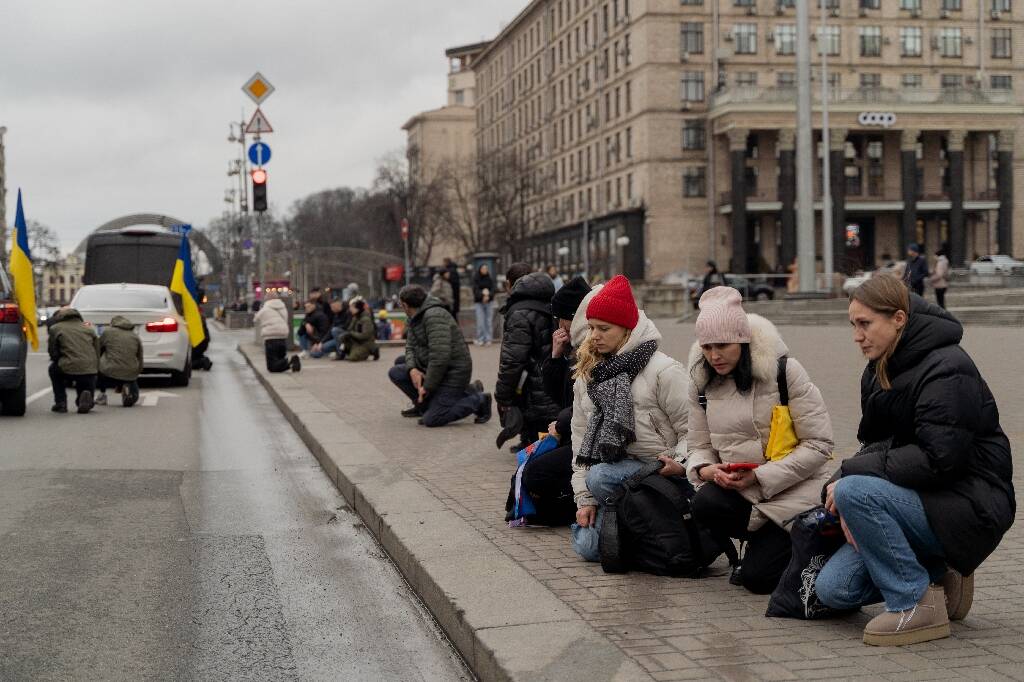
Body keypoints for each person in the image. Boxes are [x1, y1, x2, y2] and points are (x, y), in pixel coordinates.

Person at [815, 275, 1014, 647]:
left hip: (969, 503)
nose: (857, 335)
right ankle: (940, 572)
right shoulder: (880, 367)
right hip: (920, 500)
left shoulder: (947, 367)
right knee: (833, 591)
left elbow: (940, 459)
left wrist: (851, 483)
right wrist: (837, 478)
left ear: (899, 319)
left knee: (857, 491)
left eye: (865, 324)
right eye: (852, 325)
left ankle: (916, 604)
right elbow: (877, 444)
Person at [685, 287, 834, 594]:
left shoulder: (784, 372)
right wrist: (707, 470)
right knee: (705, 503)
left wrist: (760, 476)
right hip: (746, 494)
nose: (714, 356)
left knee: (757, 580)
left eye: (723, 345)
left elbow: (820, 444)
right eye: (707, 347)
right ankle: (762, 543)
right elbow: (698, 446)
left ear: (743, 340)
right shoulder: (701, 383)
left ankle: (813, 540)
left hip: (796, 491)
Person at [569, 275, 691, 562]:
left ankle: (639, 528)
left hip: (664, 472)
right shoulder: (589, 376)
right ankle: (636, 529)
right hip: (617, 481)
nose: (594, 336)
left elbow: (696, 431)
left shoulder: (663, 371)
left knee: (600, 477)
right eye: (591, 328)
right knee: (589, 547)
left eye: (604, 328)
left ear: (626, 329)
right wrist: (584, 499)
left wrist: (680, 463)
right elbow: (579, 444)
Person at [388, 285, 491, 427]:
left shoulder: (434, 316)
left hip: (454, 372)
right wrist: (412, 369)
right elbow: (410, 347)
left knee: (433, 419)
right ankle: (424, 405)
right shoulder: (413, 317)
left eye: (401, 305)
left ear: (405, 305)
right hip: (436, 367)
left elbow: (440, 358)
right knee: (398, 369)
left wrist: (427, 387)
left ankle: (479, 400)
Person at [496, 269, 561, 452]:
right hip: (550, 382)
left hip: (530, 387)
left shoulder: (518, 313)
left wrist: (502, 396)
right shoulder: (552, 307)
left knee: (538, 441)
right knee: (546, 433)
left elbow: (512, 360)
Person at [47, 307, 100, 414]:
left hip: (67, 366)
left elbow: (53, 351)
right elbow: (97, 351)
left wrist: (58, 359)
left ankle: (61, 403)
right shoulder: (89, 329)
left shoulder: (55, 328)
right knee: (86, 380)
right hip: (89, 368)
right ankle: (86, 398)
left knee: (53, 370)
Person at [96, 315, 143, 407]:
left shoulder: (107, 332)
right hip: (130, 372)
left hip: (109, 370)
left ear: (113, 324)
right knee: (134, 397)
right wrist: (138, 371)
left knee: (101, 369)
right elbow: (140, 356)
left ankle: (102, 395)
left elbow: (98, 349)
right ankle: (127, 389)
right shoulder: (134, 336)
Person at [254, 293, 301, 373]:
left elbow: (256, 319)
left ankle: (291, 360)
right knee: (280, 359)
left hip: (271, 337)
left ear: (268, 299)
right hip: (282, 336)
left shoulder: (265, 308)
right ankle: (291, 363)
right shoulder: (283, 307)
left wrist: (260, 309)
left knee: (271, 367)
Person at [472, 264, 496, 346]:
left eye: (486, 268)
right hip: (479, 302)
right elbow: (475, 290)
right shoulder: (476, 278)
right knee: (480, 321)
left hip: (489, 302)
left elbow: (493, 289)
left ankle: (488, 339)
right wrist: (483, 296)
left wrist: (488, 296)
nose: (485, 270)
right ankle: (480, 338)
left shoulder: (490, 278)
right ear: (480, 269)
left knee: (488, 321)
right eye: (483, 268)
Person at [444, 257, 462, 321]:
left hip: (452, 297)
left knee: (452, 317)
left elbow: (452, 285)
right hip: (455, 297)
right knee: (453, 316)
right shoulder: (454, 270)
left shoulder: (449, 271)